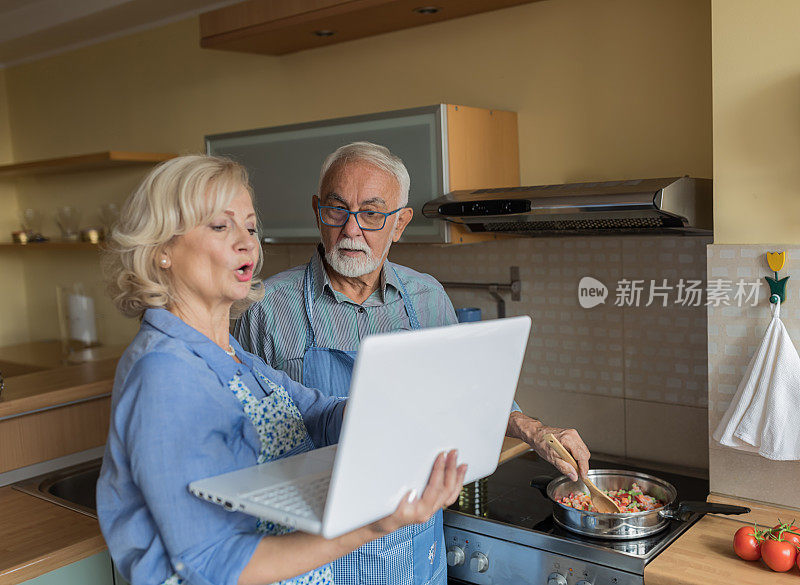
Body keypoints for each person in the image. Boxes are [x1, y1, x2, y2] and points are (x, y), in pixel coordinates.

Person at [96, 155, 467, 585]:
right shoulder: (165, 372)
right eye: (221, 226)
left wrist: (397, 405)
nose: (246, 243)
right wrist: (374, 525)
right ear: (162, 249)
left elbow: (318, 414)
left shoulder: (232, 354)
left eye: (251, 228)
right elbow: (212, 564)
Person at [234, 142, 592, 585]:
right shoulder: (265, 308)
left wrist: (534, 430)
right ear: (316, 210)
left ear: (400, 223)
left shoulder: (426, 297)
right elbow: (238, 438)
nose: (351, 229)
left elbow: (471, 393)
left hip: (415, 547)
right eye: (336, 209)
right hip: (316, 553)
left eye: (371, 213)